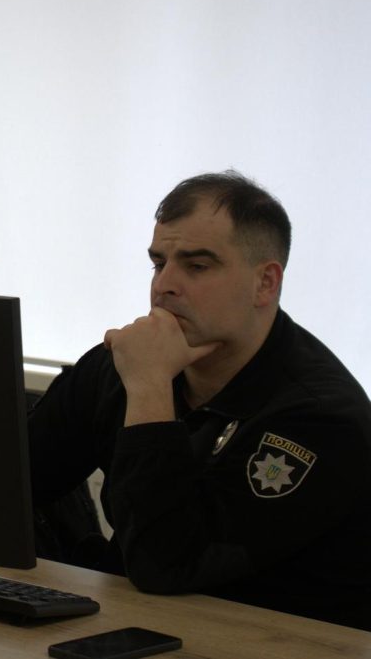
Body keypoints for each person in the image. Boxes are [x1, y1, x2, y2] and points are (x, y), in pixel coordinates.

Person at [28, 171, 371, 630]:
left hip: (266, 640)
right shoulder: (125, 365)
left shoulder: (320, 417)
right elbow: (10, 482)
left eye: (197, 266)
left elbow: (166, 565)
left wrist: (150, 389)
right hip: (136, 623)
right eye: (158, 263)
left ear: (265, 283)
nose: (164, 285)